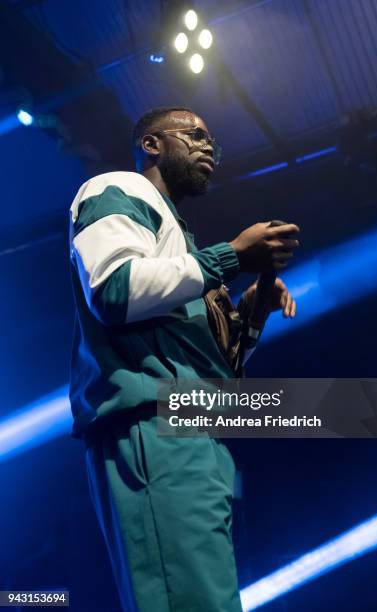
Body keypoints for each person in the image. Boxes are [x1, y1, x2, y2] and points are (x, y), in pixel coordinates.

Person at [68, 106, 300, 612]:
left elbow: (217, 369)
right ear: (152, 145)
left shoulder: (180, 244)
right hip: (155, 428)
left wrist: (250, 316)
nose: (209, 146)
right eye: (194, 135)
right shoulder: (117, 189)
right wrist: (231, 257)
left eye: (213, 138)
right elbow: (114, 289)